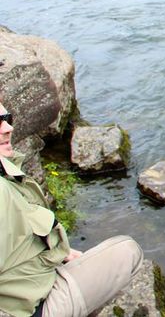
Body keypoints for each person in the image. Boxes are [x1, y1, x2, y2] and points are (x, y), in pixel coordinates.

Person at [0, 98, 144, 317]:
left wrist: (59, 254)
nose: (8, 128)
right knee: (127, 250)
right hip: (30, 308)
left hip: (32, 284)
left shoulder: (6, 172)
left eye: (7, 118)